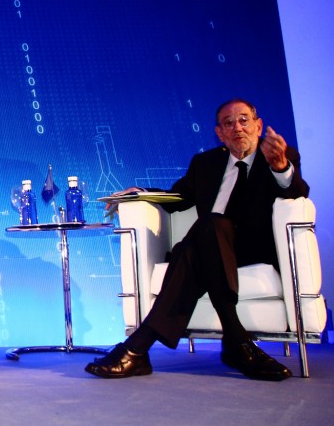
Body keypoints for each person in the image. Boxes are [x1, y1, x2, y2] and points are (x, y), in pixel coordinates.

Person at [86, 98, 308, 381]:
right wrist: (139, 193)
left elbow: (297, 194)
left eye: (244, 120)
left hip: (254, 249)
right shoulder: (205, 163)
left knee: (197, 240)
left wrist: (281, 167)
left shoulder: (279, 157)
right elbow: (179, 198)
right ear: (220, 133)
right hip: (210, 246)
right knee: (204, 235)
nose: (237, 127)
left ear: (258, 125)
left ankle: (137, 349)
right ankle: (236, 342)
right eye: (229, 123)